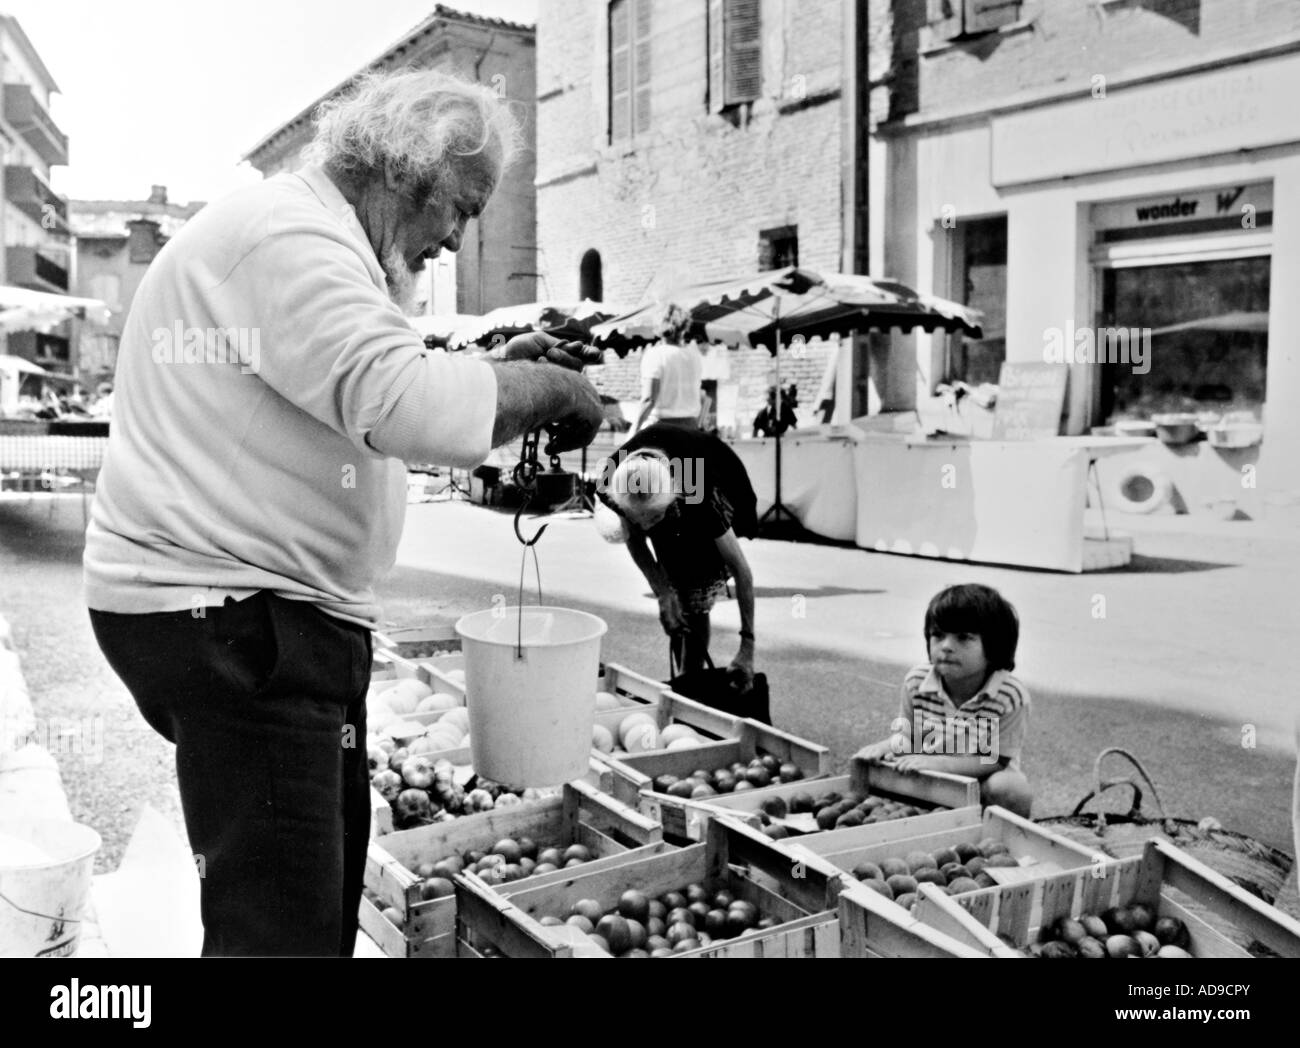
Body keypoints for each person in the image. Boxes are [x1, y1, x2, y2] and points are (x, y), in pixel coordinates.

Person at [83, 69, 604, 957]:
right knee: (279, 928)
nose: (459, 235)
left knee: (312, 898)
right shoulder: (288, 236)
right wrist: (554, 387)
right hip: (239, 622)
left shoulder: (316, 241)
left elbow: (371, 366)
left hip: (252, 619)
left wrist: (495, 363)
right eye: (463, 205)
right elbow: (405, 402)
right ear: (405, 171)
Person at [596, 422, 758, 688]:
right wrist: (662, 592)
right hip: (664, 472)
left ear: (673, 500)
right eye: (642, 520)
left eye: (656, 517)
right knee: (673, 592)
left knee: (694, 593)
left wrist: (747, 646)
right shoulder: (609, 481)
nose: (649, 527)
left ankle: (688, 680)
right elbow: (634, 539)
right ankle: (684, 679)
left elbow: (741, 569)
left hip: (716, 473)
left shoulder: (695, 487)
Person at [855, 584, 1033, 818]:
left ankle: (1004, 839)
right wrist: (884, 747)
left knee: (1010, 789)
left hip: (982, 778)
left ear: (994, 645)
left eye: (963, 638)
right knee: (878, 772)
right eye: (938, 635)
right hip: (930, 776)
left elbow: (995, 760)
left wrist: (942, 765)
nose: (947, 646)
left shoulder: (1008, 695)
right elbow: (908, 737)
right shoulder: (917, 682)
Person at [633, 304, 705, 433]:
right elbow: (700, 395)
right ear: (684, 326)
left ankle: (623, 451)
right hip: (690, 428)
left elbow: (649, 399)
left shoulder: (655, 354)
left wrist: (633, 430)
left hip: (660, 427)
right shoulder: (694, 356)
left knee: (623, 451)